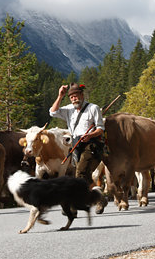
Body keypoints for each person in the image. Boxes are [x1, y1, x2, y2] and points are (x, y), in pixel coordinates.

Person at [49, 82, 108, 214]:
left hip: (91, 144)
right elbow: (52, 112)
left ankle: (74, 205)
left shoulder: (93, 108)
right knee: (85, 176)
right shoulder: (68, 109)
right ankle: (100, 199)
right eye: (71, 97)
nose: (74, 99)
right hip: (76, 145)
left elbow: (100, 129)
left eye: (76, 96)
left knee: (80, 174)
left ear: (82, 95)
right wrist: (60, 96)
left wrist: (90, 135)